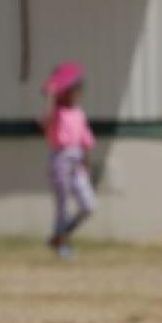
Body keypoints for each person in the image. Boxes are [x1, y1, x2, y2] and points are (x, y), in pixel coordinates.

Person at [40, 62, 96, 259]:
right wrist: (50, 96)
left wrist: (87, 164)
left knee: (88, 205)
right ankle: (62, 244)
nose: (77, 94)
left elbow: (86, 140)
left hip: (77, 162)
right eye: (73, 90)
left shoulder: (79, 113)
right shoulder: (56, 113)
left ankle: (60, 236)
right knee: (62, 204)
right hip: (61, 159)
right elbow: (45, 122)